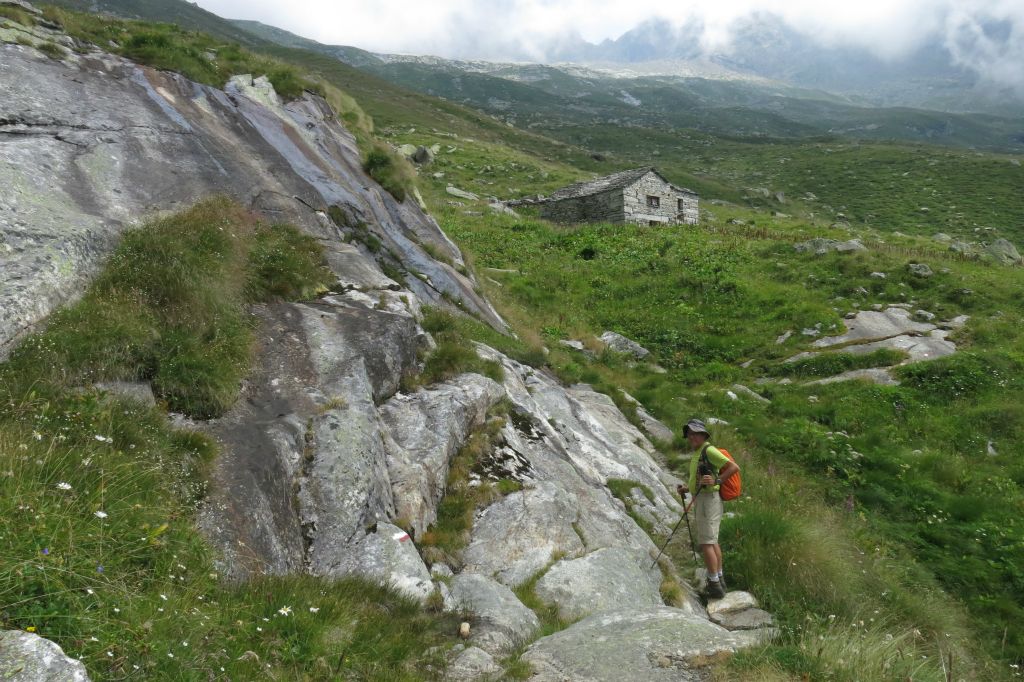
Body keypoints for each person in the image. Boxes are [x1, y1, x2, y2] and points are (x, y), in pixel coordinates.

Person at [676, 418, 739, 600]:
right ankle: (719, 579)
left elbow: (734, 467)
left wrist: (717, 480)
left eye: (695, 433)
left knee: (706, 543)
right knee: (712, 541)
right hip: (703, 498)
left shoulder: (709, 450)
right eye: (689, 434)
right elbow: (702, 478)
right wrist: (687, 489)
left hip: (709, 500)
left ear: (703, 435)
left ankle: (714, 586)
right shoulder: (698, 452)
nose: (692, 437)